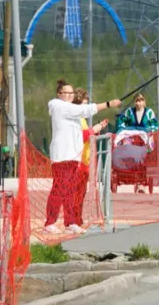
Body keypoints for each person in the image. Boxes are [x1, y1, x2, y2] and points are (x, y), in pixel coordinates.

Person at [44, 80, 117, 234]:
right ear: (59, 94)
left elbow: (81, 127)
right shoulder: (58, 106)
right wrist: (108, 104)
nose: (70, 95)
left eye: (71, 93)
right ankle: (50, 222)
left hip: (73, 156)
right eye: (66, 93)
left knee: (70, 190)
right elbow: (85, 110)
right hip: (62, 156)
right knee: (59, 189)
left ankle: (70, 222)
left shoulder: (72, 111)